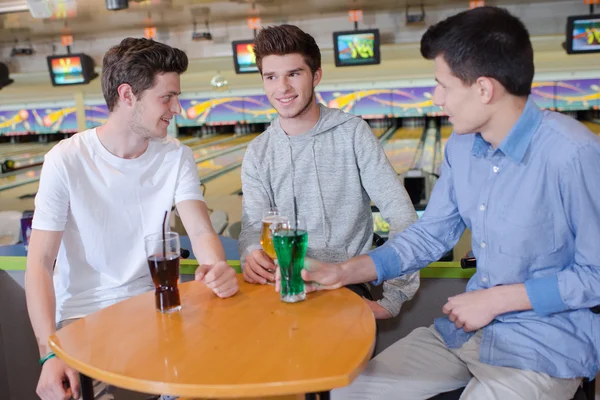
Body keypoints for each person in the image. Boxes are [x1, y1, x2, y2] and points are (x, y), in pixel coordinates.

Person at [296, 7, 600, 400]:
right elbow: (430, 234)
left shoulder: (572, 154)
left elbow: (596, 275)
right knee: (350, 393)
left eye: (442, 84)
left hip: (543, 348)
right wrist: (345, 271)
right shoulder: (461, 147)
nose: (435, 97)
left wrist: (497, 300)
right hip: (466, 335)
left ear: (484, 89)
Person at [25, 38, 239, 400]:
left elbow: (201, 230)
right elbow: (40, 264)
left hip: (153, 306)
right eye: (167, 97)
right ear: (127, 95)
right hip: (82, 315)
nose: (177, 109)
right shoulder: (66, 159)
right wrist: (49, 351)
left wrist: (216, 267)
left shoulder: (176, 156)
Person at [238, 24, 419, 319]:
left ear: (316, 76)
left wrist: (394, 296)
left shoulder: (353, 134)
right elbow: (252, 227)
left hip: (344, 284)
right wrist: (249, 253)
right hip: (282, 286)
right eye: (271, 77)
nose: (281, 88)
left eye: (293, 74)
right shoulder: (258, 152)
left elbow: (402, 216)